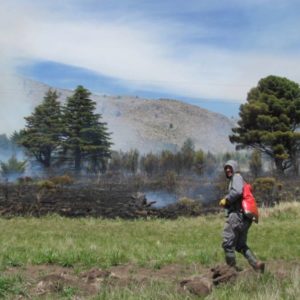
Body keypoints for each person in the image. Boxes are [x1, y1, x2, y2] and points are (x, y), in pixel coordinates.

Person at [219, 160, 265, 273]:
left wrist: (227, 200)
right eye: (226, 168)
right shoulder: (240, 179)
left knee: (227, 243)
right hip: (245, 217)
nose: (228, 170)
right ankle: (256, 264)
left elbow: (237, 191)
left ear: (235, 168)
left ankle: (230, 272)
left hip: (236, 216)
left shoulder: (237, 177)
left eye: (230, 167)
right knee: (240, 245)